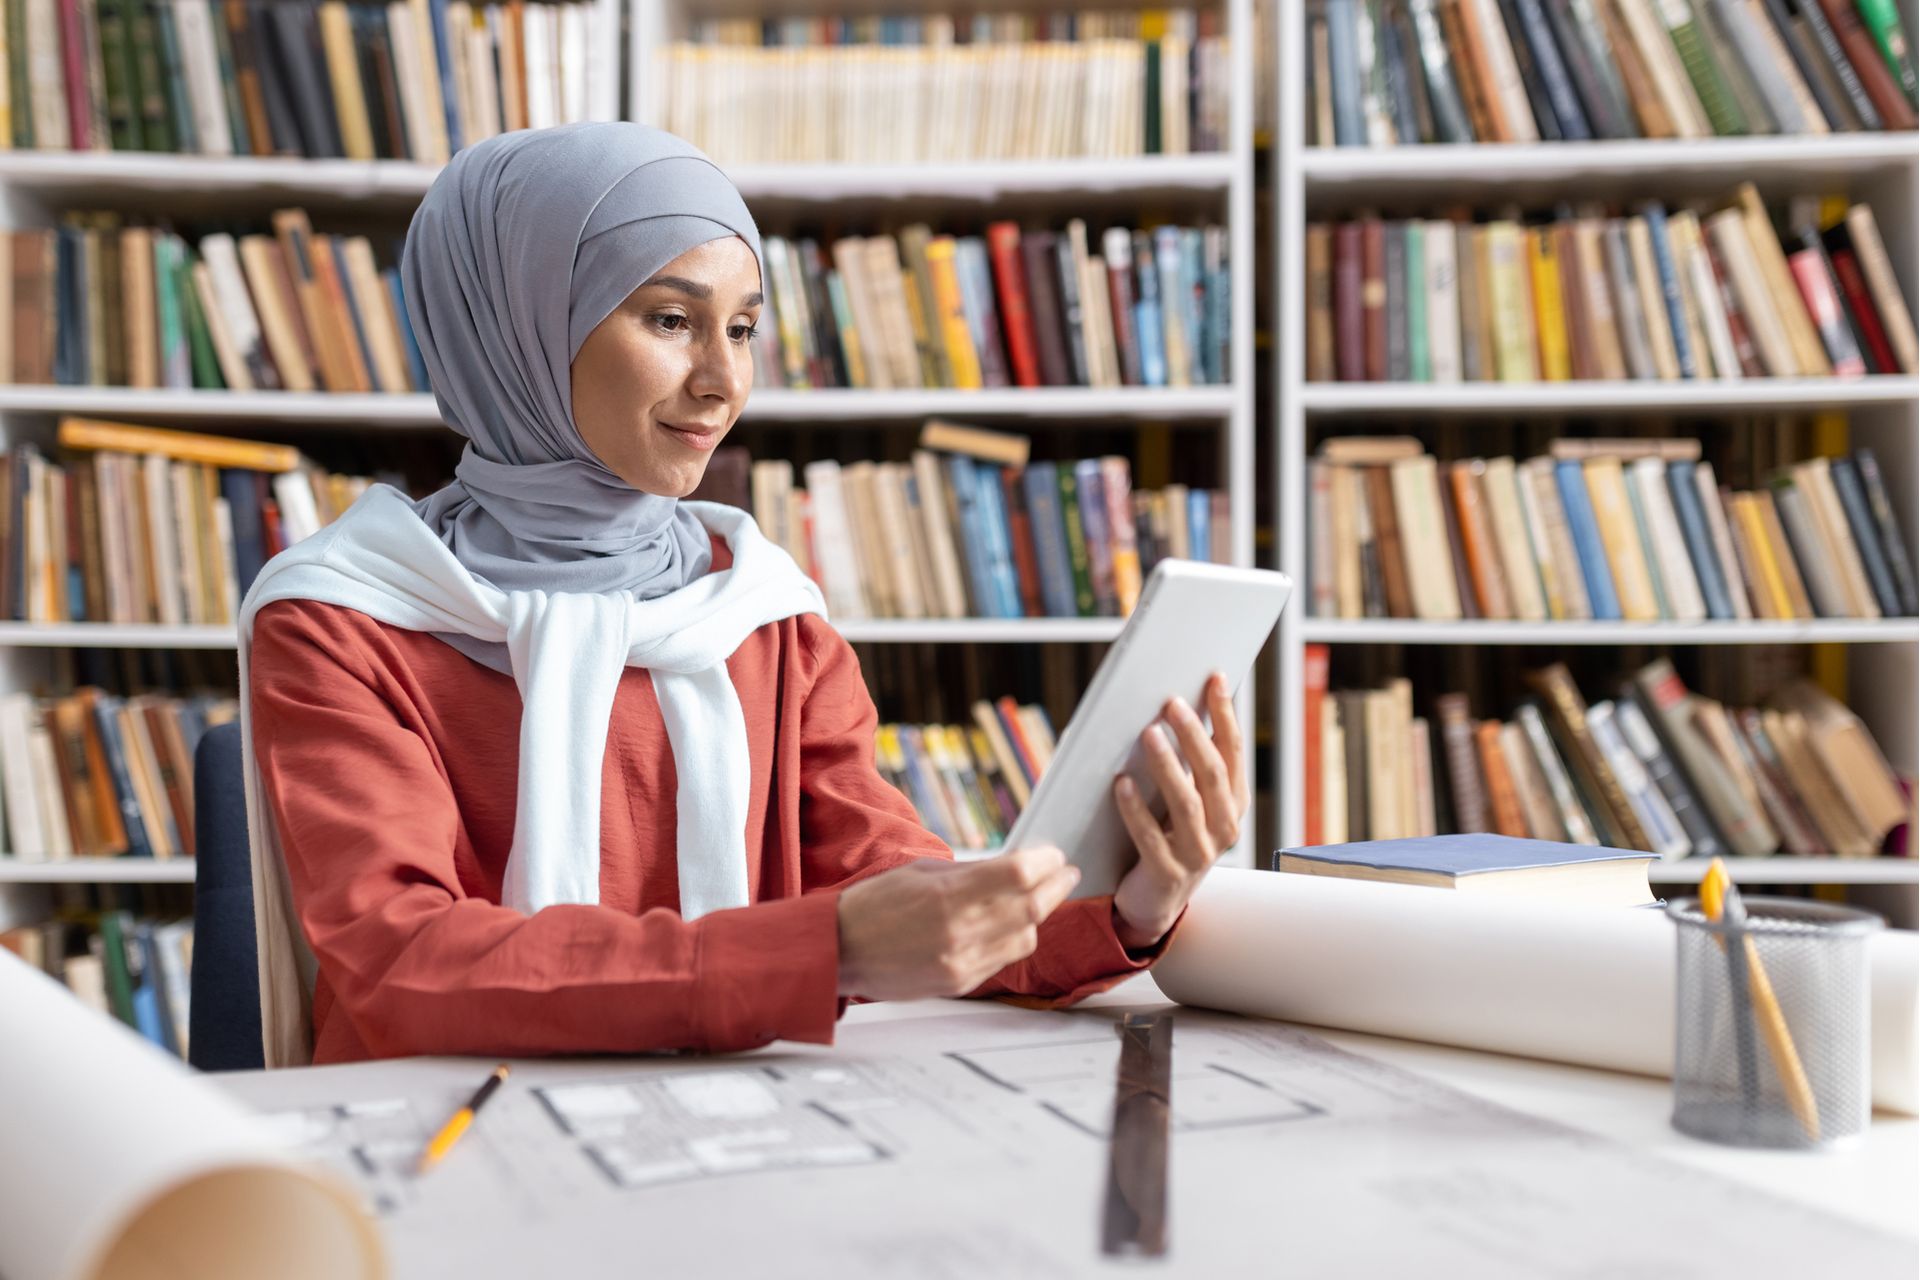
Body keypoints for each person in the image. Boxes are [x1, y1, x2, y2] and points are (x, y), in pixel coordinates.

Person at [238, 123, 1246, 1068]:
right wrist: (823, 953)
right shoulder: (344, 616)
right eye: (671, 319)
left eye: (745, 327)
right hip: (445, 1139)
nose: (724, 380)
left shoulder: (765, 609)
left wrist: (1127, 901)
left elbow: (894, 887)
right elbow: (404, 960)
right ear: (518, 327)